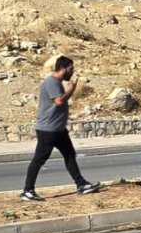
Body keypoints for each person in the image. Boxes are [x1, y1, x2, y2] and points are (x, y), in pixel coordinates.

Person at [20, 56, 99, 201]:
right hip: (48, 130)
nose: (72, 72)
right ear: (62, 69)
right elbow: (59, 101)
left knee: (69, 155)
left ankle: (81, 184)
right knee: (39, 160)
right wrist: (72, 89)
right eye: (70, 69)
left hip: (58, 130)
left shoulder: (56, 82)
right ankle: (27, 190)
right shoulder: (52, 83)